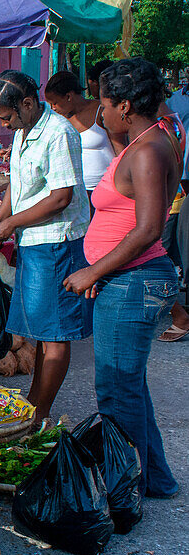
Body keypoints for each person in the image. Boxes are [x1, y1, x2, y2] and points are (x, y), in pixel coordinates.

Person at [63, 58, 184, 498]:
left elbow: (150, 227)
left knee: (115, 389)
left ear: (127, 105)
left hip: (134, 281)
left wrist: (93, 270)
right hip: (131, 278)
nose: (100, 111)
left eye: (106, 103)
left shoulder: (149, 150)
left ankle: (124, 490)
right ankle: (155, 479)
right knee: (128, 385)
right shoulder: (152, 136)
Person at [0, 70, 91, 426]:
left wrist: (12, 223)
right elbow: (16, 186)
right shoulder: (24, 132)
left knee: (56, 335)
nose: (6, 125)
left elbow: (61, 197)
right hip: (32, 242)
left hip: (57, 243)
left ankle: (38, 413)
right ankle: (33, 404)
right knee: (43, 333)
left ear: (27, 104)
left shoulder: (59, 133)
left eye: (8, 117)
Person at [44, 70, 117, 194]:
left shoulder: (101, 111)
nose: (53, 108)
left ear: (68, 97)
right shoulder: (57, 120)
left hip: (103, 189)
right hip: (72, 192)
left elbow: (119, 148)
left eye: (55, 103)